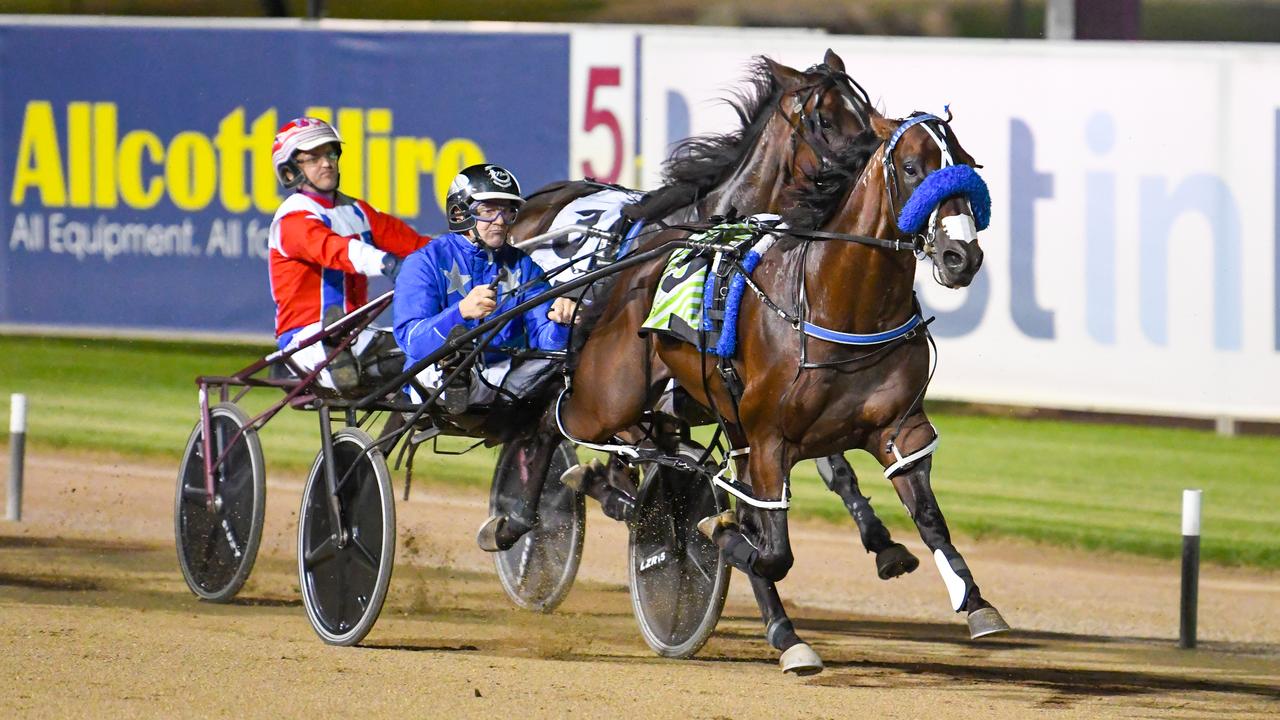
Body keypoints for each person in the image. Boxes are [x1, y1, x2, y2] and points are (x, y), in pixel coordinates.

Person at [392, 163, 576, 413]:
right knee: (455, 364)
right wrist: (461, 312)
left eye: (508, 212)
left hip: (502, 380)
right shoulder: (424, 262)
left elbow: (545, 341)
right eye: (488, 211)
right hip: (432, 379)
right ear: (459, 214)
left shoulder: (524, 266)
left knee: (565, 362)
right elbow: (412, 342)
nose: (500, 221)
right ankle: (459, 378)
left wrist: (562, 324)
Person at [268, 117, 429, 390]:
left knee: (422, 346)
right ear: (289, 172)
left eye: (331, 153)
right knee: (389, 354)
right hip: (302, 340)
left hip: (357, 333)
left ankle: (343, 351)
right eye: (313, 157)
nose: (327, 163)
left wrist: (467, 253)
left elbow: (415, 244)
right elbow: (334, 249)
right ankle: (334, 352)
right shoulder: (292, 219)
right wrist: (386, 262)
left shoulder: (358, 211)